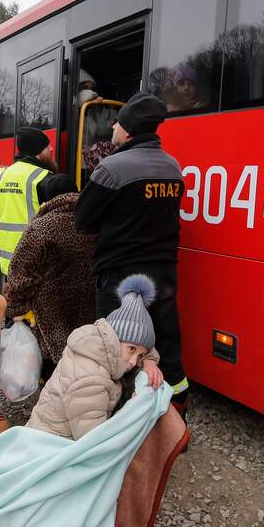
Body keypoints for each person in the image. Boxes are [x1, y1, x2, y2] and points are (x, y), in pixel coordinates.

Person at [75, 92, 190, 418]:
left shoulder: (111, 168)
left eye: (118, 122)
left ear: (128, 130)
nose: (112, 126)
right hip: (163, 273)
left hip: (121, 276)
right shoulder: (172, 166)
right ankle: (175, 417)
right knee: (165, 342)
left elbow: (83, 219)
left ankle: (121, 423)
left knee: (117, 348)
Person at [27, 274, 163, 440]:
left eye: (140, 354)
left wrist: (149, 361)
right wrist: (132, 412)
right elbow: (93, 442)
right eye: (132, 349)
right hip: (51, 451)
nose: (134, 361)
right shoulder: (90, 378)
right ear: (114, 338)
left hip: (50, 438)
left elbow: (139, 345)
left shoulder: (98, 344)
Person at [5, 174, 96, 369]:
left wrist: (16, 309)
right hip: (90, 305)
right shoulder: (93, 221)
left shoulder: (42, 226)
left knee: (55, 367)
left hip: (52, 311)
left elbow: (20, 273)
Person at [0, 127, 55, 278]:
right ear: (36, 150)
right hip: (39, 268)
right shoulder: (44, 179)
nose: (51, 150)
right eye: (46, 146)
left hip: (9, 268)